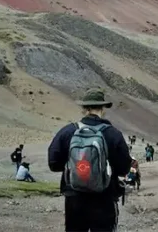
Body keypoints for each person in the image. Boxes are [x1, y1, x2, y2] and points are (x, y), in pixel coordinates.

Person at [47, 88, 132, 232]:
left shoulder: (67, 131)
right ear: (103, 108)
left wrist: (77, 167)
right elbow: (124, 168)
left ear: (84, 108)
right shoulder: (113, 134)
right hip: (104, 197)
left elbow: (53, 163)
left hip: (74, 196)